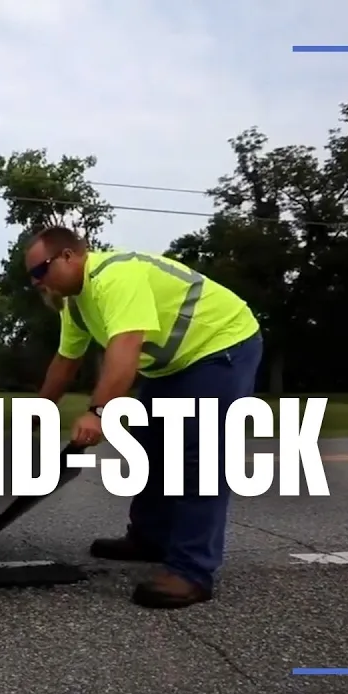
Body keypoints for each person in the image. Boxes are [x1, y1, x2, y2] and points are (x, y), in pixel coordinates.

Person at [25, 225, 263, 609]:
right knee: (149, 447)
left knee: (197, 459)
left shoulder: (115, 276)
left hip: (221, 346)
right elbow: (65, 363)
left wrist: (98, 411)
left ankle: (192, 571)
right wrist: (35, 417)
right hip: (172, 366)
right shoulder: (76, 305)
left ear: (69, 257)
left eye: (41, 271)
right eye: (33, 277)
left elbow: (125, 350)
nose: (38, 282)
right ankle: (150, 538)